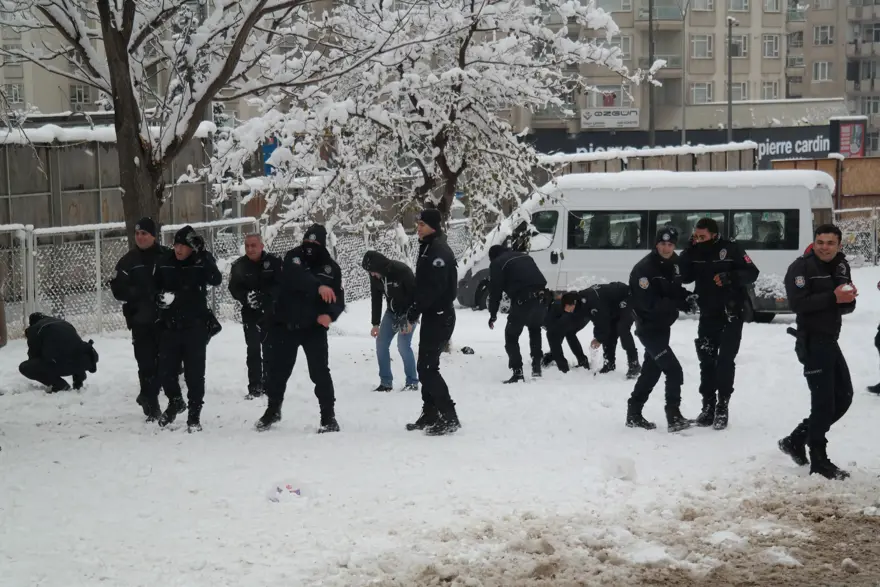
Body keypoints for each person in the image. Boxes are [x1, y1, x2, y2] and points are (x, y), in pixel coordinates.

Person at [778, 224, 856, 480]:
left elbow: (845, 306)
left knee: (843, 398)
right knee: (823, 403)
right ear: (814, 242)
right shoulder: (800, 268)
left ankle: (796, 439)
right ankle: (819, 460)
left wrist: (848, 300)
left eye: (830, 243)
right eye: (820, 242)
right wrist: (834, 298)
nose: (825, 247)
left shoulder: (841, 265)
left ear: (839, 245)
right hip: (811, 341)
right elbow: (797, 304)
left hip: (831, 340)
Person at [257, 224, 345, 433]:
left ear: (322, 245)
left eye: (314, 243)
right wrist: (318, 286)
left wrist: (330, 315)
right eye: (307, 242)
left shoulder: (331, 269)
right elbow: (295, 276)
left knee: (320, 372)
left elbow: (338, 298)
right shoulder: (293, 257)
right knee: (278, 372)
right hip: (286, 325)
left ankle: (328, 417)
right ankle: (273, 409)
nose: (310, 246)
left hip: (313, 328)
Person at [678, 217, 759, 430]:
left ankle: (722, 405)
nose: (699, 240)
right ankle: (708, 406)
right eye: (696, 236)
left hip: (731, 313)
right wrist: (687, 252)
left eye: (702, 236)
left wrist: (730, 277)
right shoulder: (694, 251)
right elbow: (684, 277)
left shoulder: (731, 249)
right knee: (706, 361)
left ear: (714, 235)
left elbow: (752, 273)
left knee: (724, 361)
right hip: (708, 314)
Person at [626, 227, 699, 433]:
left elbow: (673, 290)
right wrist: (679, 304)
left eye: (670, 245)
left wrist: (687, 298)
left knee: (651, 371)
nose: (666, 248)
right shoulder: (643, 269)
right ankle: (673, 414)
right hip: (648, 327)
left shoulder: (674, 263)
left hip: (663, 326)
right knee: (673, 370)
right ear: (656, 244)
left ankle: (634, 413)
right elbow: (648, 303)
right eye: (663, 244)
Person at [152, 225, 222, 432]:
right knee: (165, 371)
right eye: (176, 245)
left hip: (195, 326)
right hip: (170, 326)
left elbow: (215, 279)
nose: (178, 249)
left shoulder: (201, 260)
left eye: (183, 246)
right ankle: (175, 401)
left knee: (195, 374)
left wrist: (203, 254)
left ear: (192, 247)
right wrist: (158, 298)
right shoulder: (164, 261)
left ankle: (194, 415)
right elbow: (153, 287)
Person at [405, 208, 460, 435]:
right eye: (418, 224)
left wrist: (414, 311)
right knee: (426, 366)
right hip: (432, 315)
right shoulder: (428, 247)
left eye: (422, 225)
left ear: (433, 227)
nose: (418, 228)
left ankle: (449, 417)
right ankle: (430, 413)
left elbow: (433, 289)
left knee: (427, 369)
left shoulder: (438, 251)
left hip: (440, 316)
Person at [109, 217, 169, 419]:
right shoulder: (128, 261)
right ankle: (152, 405)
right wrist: (142, 293)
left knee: (165, 363)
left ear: (153, 236)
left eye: (144, 233)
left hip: (165, 320)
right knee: (145, 363)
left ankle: (146, 394)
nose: (140, 237)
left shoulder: (166, 256)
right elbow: (118, 290)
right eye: (137, 233)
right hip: (140, 321)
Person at [228, 234, 282, 400]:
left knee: (270, 350)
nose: (250, 249)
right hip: (250, 314)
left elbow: (282, 284)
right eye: (247, 246)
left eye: (253, 245)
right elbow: (234, 288)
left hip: (271, 313)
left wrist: (266, 297)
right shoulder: (239, 266)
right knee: (253, 350)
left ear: (261, 246)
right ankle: (255, 386)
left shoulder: (274, 263)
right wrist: (246, 297)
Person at [487, 244, 547, 383]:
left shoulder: (497, 263)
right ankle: (536, 367)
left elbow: (495, 291)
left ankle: (517, 372)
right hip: (542, 297)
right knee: (535, 328)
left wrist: (493, 314)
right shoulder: (524, 256)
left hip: (523, 300)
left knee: (511, 335)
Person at [362, 250, 418, 392]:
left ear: (380, 267)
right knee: (381, 343)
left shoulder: (402, 271)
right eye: (369, 272)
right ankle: (386, 383)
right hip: (391, 313)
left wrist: (410, 319)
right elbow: (376, 299)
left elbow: (415, 297)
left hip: (408, 313)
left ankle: (412, 382)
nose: (372, 275)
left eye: (373, 271)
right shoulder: (375, 277)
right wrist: (375, 323)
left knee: (403, 345)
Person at [19, 313, 98, 392]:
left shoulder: (35, 328)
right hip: (86, 361)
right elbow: (76, 345)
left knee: (25, 367)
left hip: (62, 364)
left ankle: (60, 385)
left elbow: (33, 356)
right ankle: (78, 382)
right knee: (72, 351)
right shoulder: (65, 324)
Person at [583, 282, 640, 379]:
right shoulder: (587, 301)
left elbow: (601, 320)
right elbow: (601, 321)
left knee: (622, 328)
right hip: (614, 308)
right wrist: (599, 337)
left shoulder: (592, 300)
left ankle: (634, 364)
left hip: (627, 299)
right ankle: (609, 364)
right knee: (610, 332)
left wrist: (599, 339)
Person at [542, 291, 591, 373]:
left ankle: (564, 368)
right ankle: (582, 361)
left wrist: (553, 355)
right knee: (569, 333)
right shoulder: (550, 308)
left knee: (558, 335)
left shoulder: (549, 312)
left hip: (577, 314)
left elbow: (555, 336)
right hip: (581, 314)